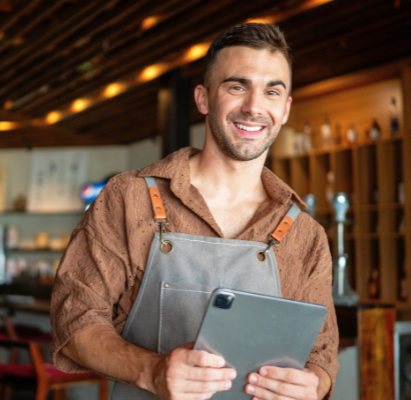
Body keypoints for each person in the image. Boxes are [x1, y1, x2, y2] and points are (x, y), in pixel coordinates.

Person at [51, 23, 339, 400]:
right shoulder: (130, 198)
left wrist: (314, 385)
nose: (254, 107)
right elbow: (74, 318)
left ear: (285, 109)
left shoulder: (305, 233)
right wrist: (152, 371)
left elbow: (321, 355)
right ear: (203, 99)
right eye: (237, 87)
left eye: (272, 91)